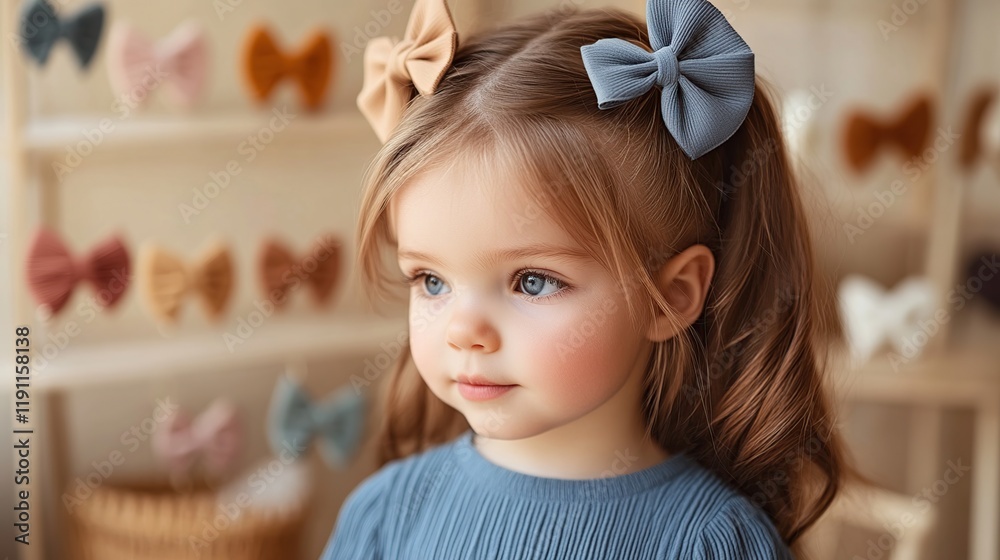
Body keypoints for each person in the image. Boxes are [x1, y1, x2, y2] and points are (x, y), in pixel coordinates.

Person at [322, 0, 856, 557]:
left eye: (532, 282)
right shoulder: (385, 514)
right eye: (431, 280)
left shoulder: (710, 543)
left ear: (671, 297)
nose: (463, 331)